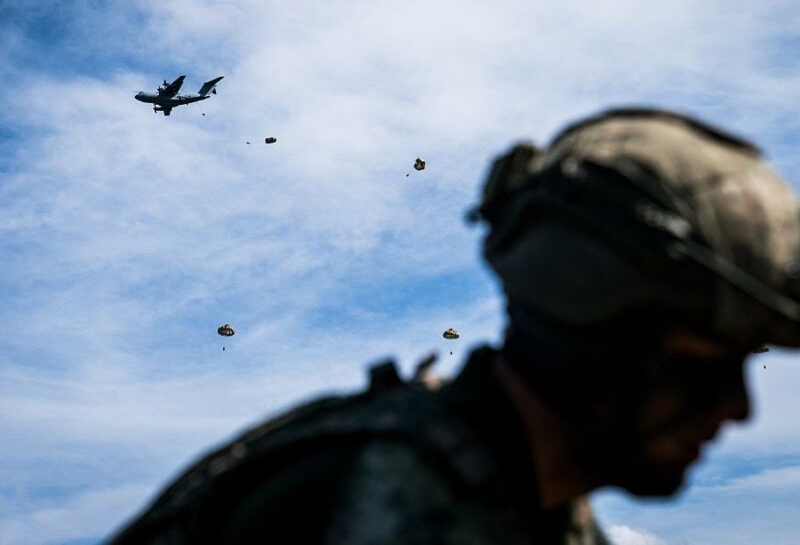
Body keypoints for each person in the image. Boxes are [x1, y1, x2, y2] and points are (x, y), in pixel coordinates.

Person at [110, 108, 800, 544]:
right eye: (699, 366)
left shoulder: (533, 507)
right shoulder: (371, 495)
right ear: (590, 333)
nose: (737, 411)